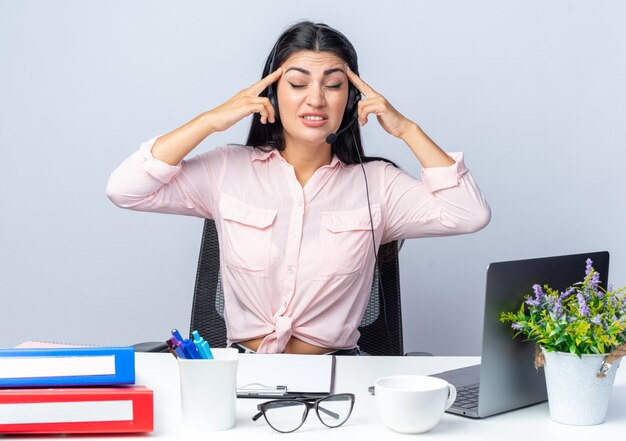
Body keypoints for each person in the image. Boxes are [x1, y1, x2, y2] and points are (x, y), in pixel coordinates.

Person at [106, 21, 491, 355]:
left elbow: (469, 213)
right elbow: (126, 188)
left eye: (334, 85)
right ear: (272, 94)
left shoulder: (378, 185)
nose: (316, 99)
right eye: (297, 83)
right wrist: (211, 120)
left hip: (338, 377)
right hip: (243, 375)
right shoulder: (227, 169)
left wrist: (407, 129)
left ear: (352, 99)